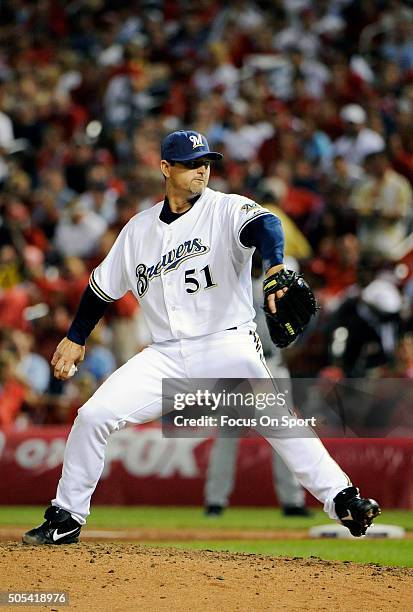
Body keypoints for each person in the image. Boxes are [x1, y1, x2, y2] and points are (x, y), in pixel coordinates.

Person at [23, 130, 380, 545]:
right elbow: (101, 288)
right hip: (165, 355)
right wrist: (75, 337)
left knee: (279, 421)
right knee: (93, 416)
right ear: (166, 169)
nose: (202, 170)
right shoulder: (138, 230)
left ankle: (344, 499)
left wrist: (275, 265)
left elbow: (266, 225)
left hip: (226, 343)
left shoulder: (225, 209)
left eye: (206, 162)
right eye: (192, 164)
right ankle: (66, 517)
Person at [204, 254, 310, 517]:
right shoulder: (229, 280)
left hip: (271, 365)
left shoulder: (275, 280)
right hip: (236, 369)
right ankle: (215, 500)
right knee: (228, 434)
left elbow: (299, 321)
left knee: (283, 431)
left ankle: (292, 501)